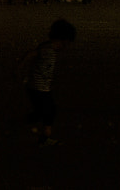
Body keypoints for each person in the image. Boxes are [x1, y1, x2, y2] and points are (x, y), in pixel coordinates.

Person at [20, 18, 77, 147]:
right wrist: (20, 68)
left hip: (41, 87)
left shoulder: (50, 49)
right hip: (38, 88)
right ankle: (44, 137)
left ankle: (23, 124)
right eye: (66, 43)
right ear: (62, 39)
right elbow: (30, 55)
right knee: (48, 111)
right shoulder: (46, 48)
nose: (66, 46)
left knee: (43, 111)